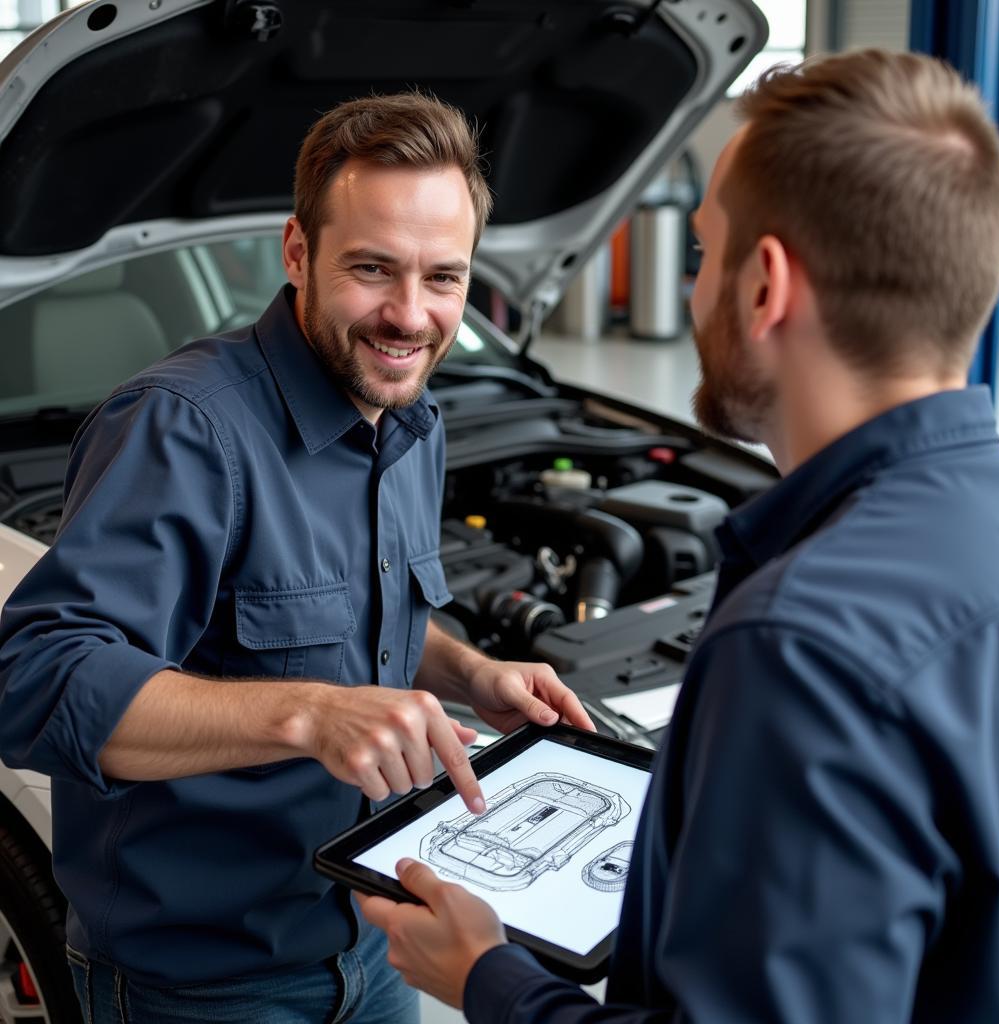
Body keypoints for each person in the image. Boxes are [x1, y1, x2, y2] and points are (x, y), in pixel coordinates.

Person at [359, 50, 999, 1023]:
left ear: (764, 286)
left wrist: (487, 976)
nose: (689, 287)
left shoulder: (796, 650)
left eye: (704, 252)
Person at [0, 91, 592, 1023]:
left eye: (445, 277)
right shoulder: (183, 430)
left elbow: (353, 606)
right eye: (371, 268)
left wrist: (473, 673)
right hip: (205, 988)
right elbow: (34, 680)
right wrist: (308, 715)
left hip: (378, 937)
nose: (410, 315)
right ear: (297, 252)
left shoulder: (409, 419)